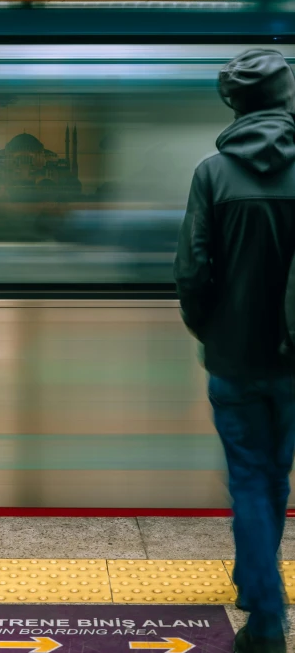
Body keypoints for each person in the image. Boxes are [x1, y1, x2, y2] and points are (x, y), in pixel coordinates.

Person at [174, 49, 295, 653]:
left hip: (234, 359)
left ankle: (266, 617)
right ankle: (255, 579)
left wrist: (209, 332)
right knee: (276, 474)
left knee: (249, 476)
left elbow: (193, 271)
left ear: (234, 103)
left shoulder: (212, 173)